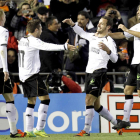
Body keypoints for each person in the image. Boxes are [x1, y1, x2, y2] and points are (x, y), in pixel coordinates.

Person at [63, 16, 122, 136]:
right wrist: (72, 24)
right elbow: (82, 32)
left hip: (99, 72)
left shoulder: (109, 40)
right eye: (98, 23)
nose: (98, 25)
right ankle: (117, 123)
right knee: (96, 105)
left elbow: (115, 59)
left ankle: (86, 130)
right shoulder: (93, 36)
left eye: (101, 24)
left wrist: (108, 50)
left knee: (88, 100)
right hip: (89, 72)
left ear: (108, 27)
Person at [18, 19, 75, 137]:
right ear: (37, 29)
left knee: (31, 101)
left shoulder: (23, 40)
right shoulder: (34, 40)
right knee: (45, 99)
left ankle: (28, 130)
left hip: (23, 75)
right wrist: (64, 46)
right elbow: (46, 46)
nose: (41, 32)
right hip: (31, 75)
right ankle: (39, 128)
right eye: (41, 29)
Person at [108, 4, 140, 130]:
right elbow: (122, 35)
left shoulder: (135, 29)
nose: (137, 12)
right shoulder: (137, 26)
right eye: (137, 9)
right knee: (127, 90)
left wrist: (126, 30)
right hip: (135, 63)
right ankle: (126, 121)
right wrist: (107, 35)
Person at [0, 9, 26, 138]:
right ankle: (13, 131)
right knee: (9, 99)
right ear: (1, 18)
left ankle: (14, 131)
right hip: (0, 69)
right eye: (4, 16)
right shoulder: (3, 31)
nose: (5, 18)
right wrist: (5, 69)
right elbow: (2, 49)